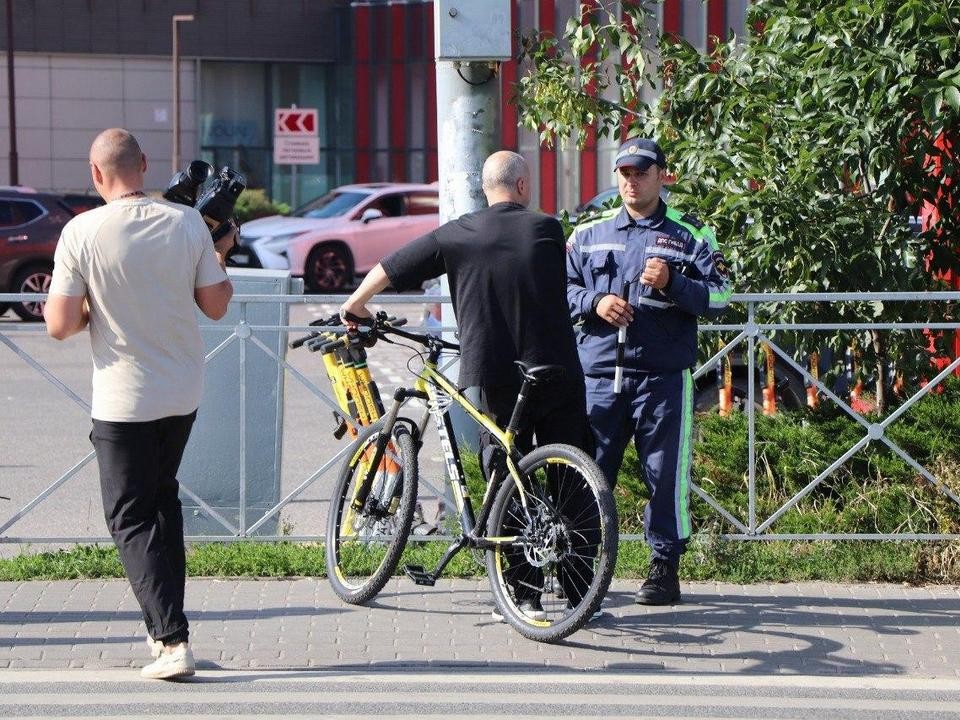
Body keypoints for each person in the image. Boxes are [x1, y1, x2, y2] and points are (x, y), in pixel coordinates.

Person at [340, 150, 596, 618]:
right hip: (554, 369)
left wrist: (355, 306)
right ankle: (583, 592)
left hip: (494, 375)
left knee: (505, 474)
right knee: (571, 478)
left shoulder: (457, 234)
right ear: (522, 186)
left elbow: (394, 265)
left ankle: (523, 595)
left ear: (485, 189)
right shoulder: (547, 228)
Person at [43, 128, 236, 679]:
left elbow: (58, 326)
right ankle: (171, 632)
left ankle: (171, 641)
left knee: (129, 515)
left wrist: (91, 313)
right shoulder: (186, 224)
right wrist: (219, 251)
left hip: (124, 398)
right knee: (162, 504)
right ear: (145, 166)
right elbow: (217, 306)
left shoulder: (81, 231)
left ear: (96, 173)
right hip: (182, 392)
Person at [567, 137, 732, 605]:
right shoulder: (586, 232)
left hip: (662, 378)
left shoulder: (691, 234)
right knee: (589, 472)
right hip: (599, 378)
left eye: (640, 172)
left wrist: (674, 282)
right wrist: (595, 301)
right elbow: (559, 290)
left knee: (664, 475)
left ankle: (663, 569)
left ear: (662, 174)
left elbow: (721, 296)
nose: (631, 181)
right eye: (624, 172)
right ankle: (579, 565)